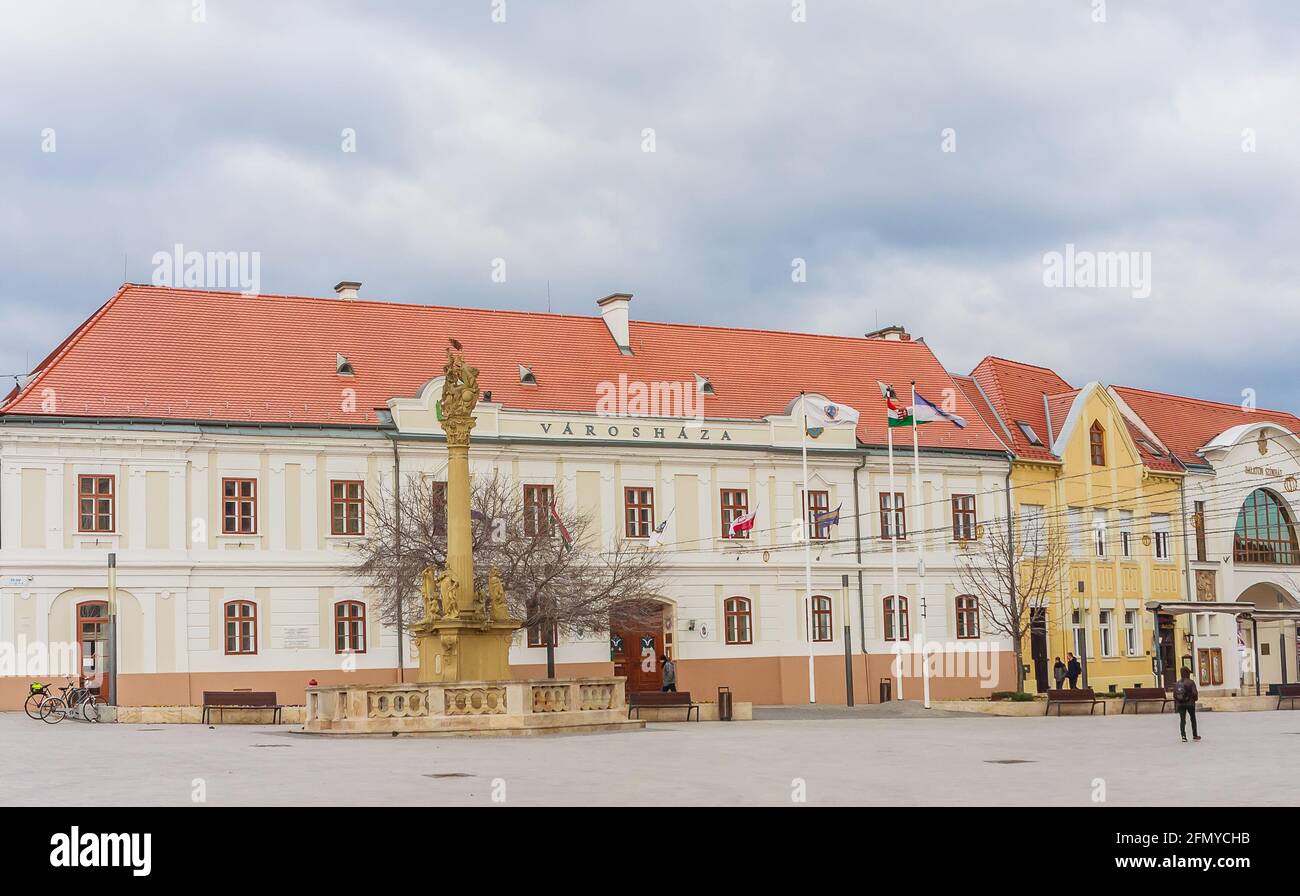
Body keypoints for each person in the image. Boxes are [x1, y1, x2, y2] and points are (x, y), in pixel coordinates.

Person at [1174, 667, 1200, 742]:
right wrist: (1194, 698)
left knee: (1182, 720)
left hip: (1180, 704)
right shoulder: (1191, 682)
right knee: (1193, 719)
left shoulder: (1177, 683)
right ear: (1188, 673)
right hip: (1190, 703)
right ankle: (1195, 735)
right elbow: (1194, 693)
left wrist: (1179, 701)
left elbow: (1174, 695)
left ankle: (1183, 736)